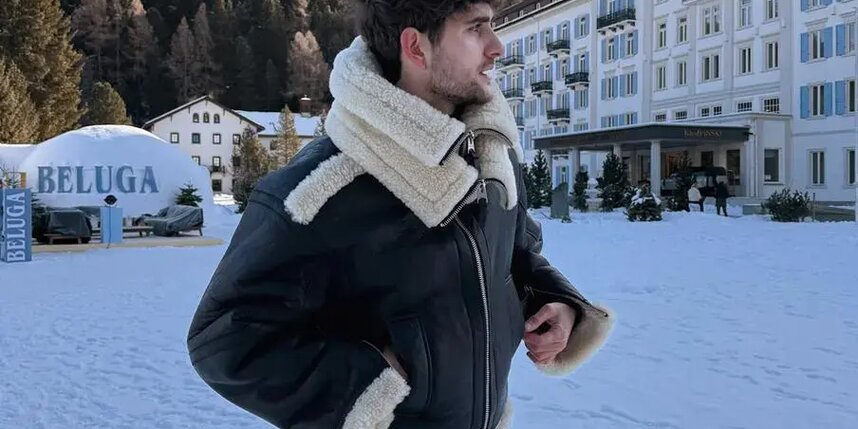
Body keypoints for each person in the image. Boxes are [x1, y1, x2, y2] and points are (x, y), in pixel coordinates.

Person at [186, 2, 613, 429]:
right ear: (416, 47)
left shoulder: (491, 155)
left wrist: (553, 302)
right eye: (475, 28)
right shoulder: (317, 191)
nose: (497, 46)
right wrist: (369, 387)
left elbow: (516, 254)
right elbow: (223, 338)